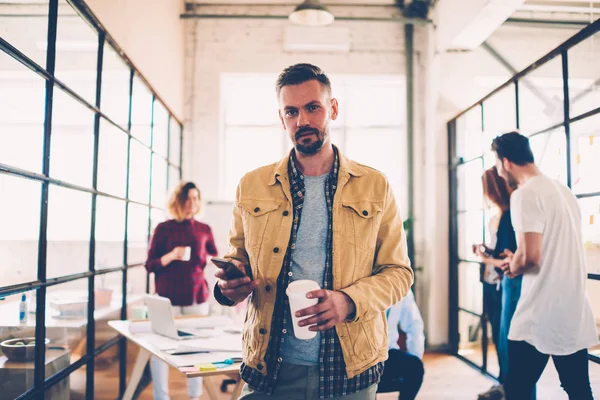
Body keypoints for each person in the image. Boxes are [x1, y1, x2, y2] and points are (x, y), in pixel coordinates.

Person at [213, 63, 413, 399]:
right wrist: (228, 287)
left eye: (312, 108)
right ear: (282, 119)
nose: (302, 120)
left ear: (332, 109)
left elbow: (398, 274)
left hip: (349, 371)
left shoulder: (375, 186)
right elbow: (238, 259)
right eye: (291, 111)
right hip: (269, 367)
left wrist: (349, 301)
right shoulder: (252, 186)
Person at [492, 132, 598, 400]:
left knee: (516, 389)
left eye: (496, 164)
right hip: (571, 309)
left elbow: (531, 257)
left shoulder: (525, 194)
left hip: (539, 313)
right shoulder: (564, 191)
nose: (498, 171)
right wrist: (517, 258)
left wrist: (513, 265)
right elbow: (548, 249)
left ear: (506, 162)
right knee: (578, 390)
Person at [145, 181, 218, 400]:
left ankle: (194, 397)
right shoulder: (163, 228)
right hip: (167, 298)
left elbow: (214, 256)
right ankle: (161, 397)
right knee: (159, 350)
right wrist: (171, 255)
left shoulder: (204, 229)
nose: (192, 203)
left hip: (197, 296)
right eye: (187, 198)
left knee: (197, 349)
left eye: (196, 198)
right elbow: (150, 265)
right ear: (177, 201)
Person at [474, 167, 537, 400]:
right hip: (498, 284)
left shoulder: (511, 214)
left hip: (506, 285)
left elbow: (509, 259)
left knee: (509, 345)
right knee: (503, 342)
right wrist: (488, 251)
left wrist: (484, 258)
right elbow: (505, 253)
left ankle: (509, 388)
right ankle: (505, 387)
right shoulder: (505, 214)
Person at [377, 290, 425, 400]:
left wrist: (415, 357)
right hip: (361, 356)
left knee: (415, 366)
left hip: (388, 351)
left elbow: (414, 324)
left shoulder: (402, 287)